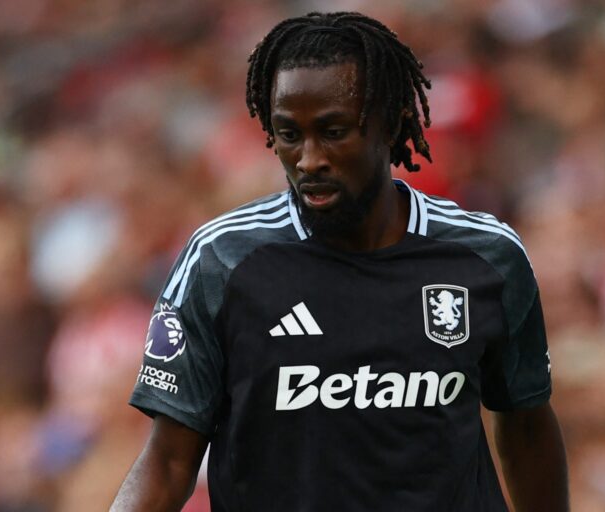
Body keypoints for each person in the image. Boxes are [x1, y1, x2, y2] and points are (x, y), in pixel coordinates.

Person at [111, 11, 569, 511]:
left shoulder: (486, 256)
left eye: (333, 131)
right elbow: (168, 462)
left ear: (392, 123)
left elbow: (526, 429)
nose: (309, 159)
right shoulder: (222, 260)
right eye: (289, 135)